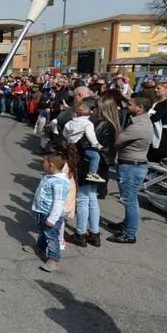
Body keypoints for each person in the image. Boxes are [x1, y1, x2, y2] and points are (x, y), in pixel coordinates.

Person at [70, 96, 119, 248]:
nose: (93, 110)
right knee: (92, 199)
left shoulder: (101, 124)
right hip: (101, 165)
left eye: (95, 108)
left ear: (102, 108)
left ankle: (80, 233)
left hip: (89, 164)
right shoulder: (113, 124)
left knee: (84, 199)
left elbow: (84, 143)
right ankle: (95, 233)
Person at [109, 96, 154, 244]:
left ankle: (129, 234)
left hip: (131, 166)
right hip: (133, 165)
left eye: (130, 104)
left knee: (130, 201)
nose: (127, 106)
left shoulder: (138, 126)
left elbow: (117, 141)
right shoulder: (140, 121)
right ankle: (127, 225)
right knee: (130, 199)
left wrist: (114, 123)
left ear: (140, 107)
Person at [29, 148, 71, 273]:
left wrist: (52, 218)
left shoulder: (59, 182)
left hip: (50, 215)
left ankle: (54, 259)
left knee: (51, 237)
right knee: (42, 232)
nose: (42, 165)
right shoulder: (50, 176)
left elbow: (59, 202)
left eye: (44, 163)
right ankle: (40, 248)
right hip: (43, 212)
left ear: (51, 165)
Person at [62, 102, 105, 183]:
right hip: (81, 146)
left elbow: (64, 133)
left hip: (70, 145)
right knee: (95, 156)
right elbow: (90, 135)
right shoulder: (88, 123)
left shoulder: (69, 123)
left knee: (70, 161)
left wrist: (69, 139)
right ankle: (92, 173)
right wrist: (96, 144)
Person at [147, 81, 167, 163]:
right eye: (155, 88)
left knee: (159, 157)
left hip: (163, 134)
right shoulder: (156, 102)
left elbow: (155, 117)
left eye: (158, 88)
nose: (155, 90)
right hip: (153, 132)